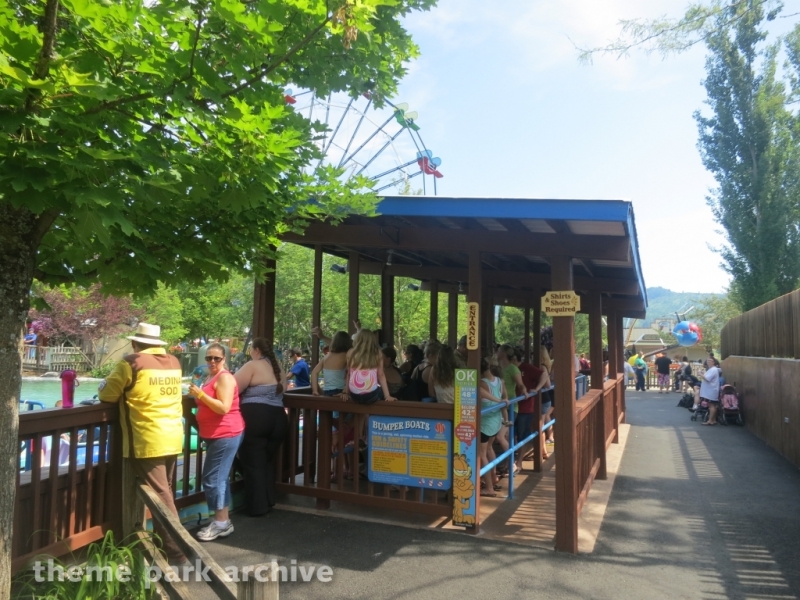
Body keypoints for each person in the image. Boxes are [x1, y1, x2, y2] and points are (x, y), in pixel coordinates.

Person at [97, 323, 187, 564]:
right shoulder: (174, 362)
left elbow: (107, 394)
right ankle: (166, 546)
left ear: (135, 343)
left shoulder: (131, 363)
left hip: (147, 439)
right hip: (173, 435)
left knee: (160, 495)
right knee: (165, 489)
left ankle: (177, 551)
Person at [188, 343, 244, 541]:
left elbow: (223, 407)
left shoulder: (225, 378)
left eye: (216, 358)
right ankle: (223, 520)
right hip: (213, 434)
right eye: (208, 358)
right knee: (219, 478)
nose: (212, 361)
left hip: (226, 433)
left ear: (224, 359)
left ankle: (221, 523)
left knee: (213, 478)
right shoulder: (209, 376)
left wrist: (200, 394)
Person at [234, 338, 288, 516]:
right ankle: (269, 500)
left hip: (257, 418)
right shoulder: (278, 368)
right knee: (266, 461)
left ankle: (257, 507)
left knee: (253, 464)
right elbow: (284, 390)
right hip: (278, 419)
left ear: (256, 350)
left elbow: (232, 388)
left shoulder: (252, 365)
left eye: (251, 349)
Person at [511, 351, 549, 467]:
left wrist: (536, 389)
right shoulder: (508, 369)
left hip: (525, 408)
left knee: (522, 435)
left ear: (514, 359)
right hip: (512, 407)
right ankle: (511, 462)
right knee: (510, 435)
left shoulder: (527, 368)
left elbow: (544, 375)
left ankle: (519, 462)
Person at [479, 358, 508, 497]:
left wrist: (499, 401)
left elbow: (479, 393)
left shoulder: (481, 383)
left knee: (481, 454)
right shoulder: (499, 381)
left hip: (484, 423)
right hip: (496, 421)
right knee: (489, 449)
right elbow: (503, 399)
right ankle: (493, 478)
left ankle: (489, 487)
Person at [345, 329, 397, 404]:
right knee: (379, 390)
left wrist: (346, 393)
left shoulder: (350, 352)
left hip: (354, 395)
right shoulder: (377, 353)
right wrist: (387, 396)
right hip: (370, 396)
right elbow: (381, 375)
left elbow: (348, 374)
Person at [311, 331, 351, 397]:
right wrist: (345, 392)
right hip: (341, 391)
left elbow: (314, 373)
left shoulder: (326, 357)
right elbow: (349, 374)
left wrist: (315, 390)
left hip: (327, 391)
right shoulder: (346, 356)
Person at [700, 358, 722, 426]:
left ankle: (710, 421)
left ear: (714, 362)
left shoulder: (713, 370)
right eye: (707, 361)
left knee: (711, 405)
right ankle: (713, 420)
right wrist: (703, 374)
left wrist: (700, 374)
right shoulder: (712, 369)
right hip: (711, 390)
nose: (708, 362)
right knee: (712, 405)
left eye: (710, 361)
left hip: (711, 391)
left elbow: (707, 379)